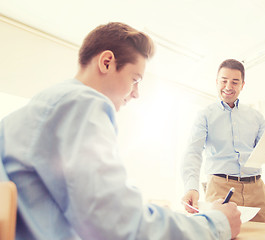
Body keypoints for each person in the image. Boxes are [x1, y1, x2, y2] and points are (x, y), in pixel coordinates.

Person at [0, 22, 241, 240]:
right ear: (107, 62)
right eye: (135, 79)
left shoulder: (38, 109)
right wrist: (217, 223)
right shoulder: (81, 102)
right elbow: (116, 225)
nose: (136, 93)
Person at [181, 59, 265, 223]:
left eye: (235, 82)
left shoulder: (256, 117)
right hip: (220, 189)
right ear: (216, 82)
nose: (228, 86)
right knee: (220, 234)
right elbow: (193, 152)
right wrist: (191, 187)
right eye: (224, 80)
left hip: (256, 190)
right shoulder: (204, 115)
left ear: (242, 85)